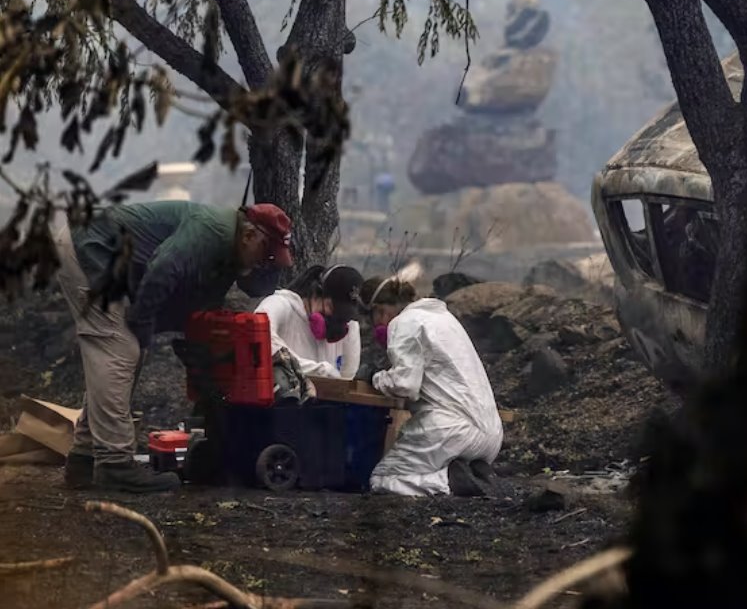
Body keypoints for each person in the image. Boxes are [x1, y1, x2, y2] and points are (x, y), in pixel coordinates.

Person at [55, 201, 294, 493]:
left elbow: (202, 304)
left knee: (125, 351)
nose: (266, 263)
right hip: (90, 246)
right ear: (248, 236)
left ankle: (85, 459)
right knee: (121, 348)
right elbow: (163, 269)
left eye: (274, 259)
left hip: (99, 250)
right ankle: (114, 465)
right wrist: (142, 324)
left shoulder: (231, 250)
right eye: (266, 253)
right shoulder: (211, 231)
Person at [360, 274, 502, 497]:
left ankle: (448, 481)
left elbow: (405, 385)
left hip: (450, 430)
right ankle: (470, 470)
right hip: (490, 434)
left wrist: (375, 377)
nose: (377, 325)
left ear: (380, 310)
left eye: (374, 318)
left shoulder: (404, 323)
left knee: (384, 479)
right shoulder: (443, 318)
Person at [254, 264, 364, 402]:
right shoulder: (283, 305)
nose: (336, 318)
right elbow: (258, 337)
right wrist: (317, 371)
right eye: (331, 307)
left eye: (344, 314)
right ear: (316, 292)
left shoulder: (350, 326)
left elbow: (346, 378)